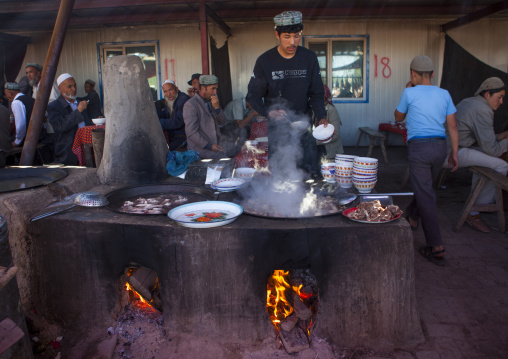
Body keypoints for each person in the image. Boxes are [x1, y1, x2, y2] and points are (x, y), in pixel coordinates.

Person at [394, 55, 459, 266]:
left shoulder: (408, 92)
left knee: (426, 194)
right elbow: (453, 127)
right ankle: (413, 217)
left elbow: (398, 117)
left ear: (413, 74)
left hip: (419, 149)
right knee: (425, 189)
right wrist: (454, 153)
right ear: (432, 74)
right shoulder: (445, 94)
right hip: (440, 148)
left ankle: (436, 246)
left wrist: (408, 90)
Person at [246, 10, 327, 177]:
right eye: (287, 36)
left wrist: (322, 115)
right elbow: (252, 97)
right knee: (281, 176)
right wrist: (269, 112)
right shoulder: (265, 61)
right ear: (277, 34)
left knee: (310, 174)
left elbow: (317, 94)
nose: (293, 42)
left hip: (304, 128)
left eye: (297, 36)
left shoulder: (309, 58)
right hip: (277, 132)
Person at [443, 77, 507, 233]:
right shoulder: (483, 110)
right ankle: (474, 210)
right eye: (499, 97)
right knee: (501, 165)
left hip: (447, 148)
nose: (501, 102)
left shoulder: (470, 101)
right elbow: (491, 149)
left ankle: (475, 206)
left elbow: (485, 140)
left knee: (487, 161)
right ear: (487, 95)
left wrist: (502, 135)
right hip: (452, 153)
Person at [47, 73, 91, 165]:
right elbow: (60, 126)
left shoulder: (81, 103)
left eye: (75, 85)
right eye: (69, 86)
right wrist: (78, 111)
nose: (74, 89)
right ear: (60, 89)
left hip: (87, 149)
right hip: (68, 153)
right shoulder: (54, 106)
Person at [183, 74, 227, 159]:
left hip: (215, 150)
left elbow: (222, 122)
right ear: (203, 88)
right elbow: (191, 133)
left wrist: (217, 108)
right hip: (201, 153)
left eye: (216, 89)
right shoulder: (191, 105)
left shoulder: (212, 101)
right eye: (213, 89)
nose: (215, 92)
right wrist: (209, 146)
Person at [154, 80, 190, 150]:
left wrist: (161, 122)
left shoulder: (183, 100)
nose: (169, 94)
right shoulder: (171, 100)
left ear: (176, 89)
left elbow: (179, 121)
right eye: (165, 91)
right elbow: (166, 115)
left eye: (170, 90)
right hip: (175, 135)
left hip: (184, 136)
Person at [3, 82, 38, 147]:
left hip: (28, 139)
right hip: (38, 136)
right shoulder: (31, 99)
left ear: (11, 93)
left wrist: (17, 141)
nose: (6, 97)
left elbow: (21, 125)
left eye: (6, 94)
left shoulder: (16, 102)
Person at [316, 85, 343, 160]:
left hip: (330, 153)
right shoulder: (313, 110)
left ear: (325, 96)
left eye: (321, 97)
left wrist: (314, 141)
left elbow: (335, 135)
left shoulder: (331, 110)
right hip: (317, 151)